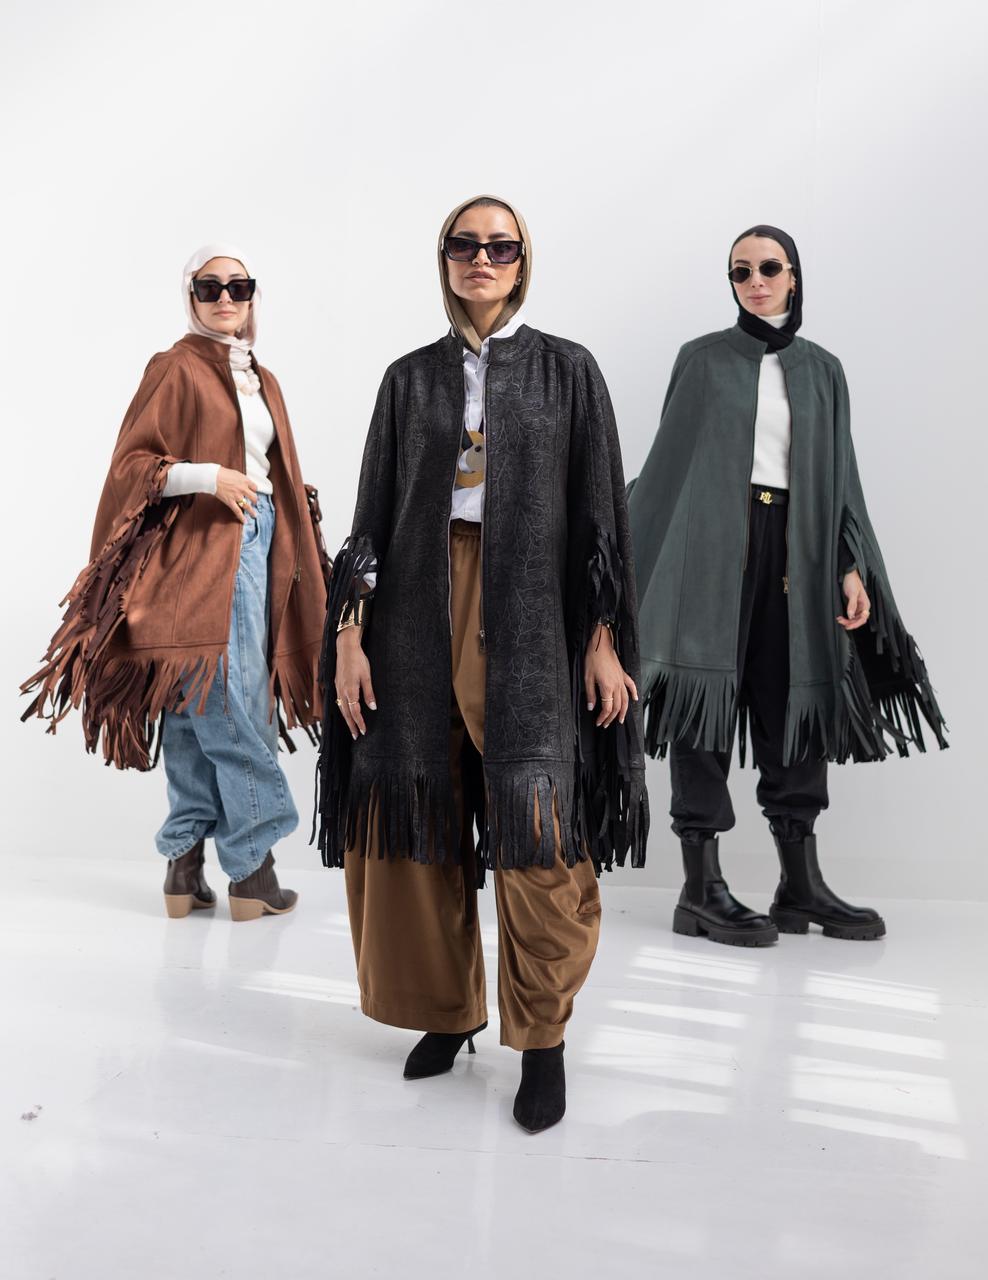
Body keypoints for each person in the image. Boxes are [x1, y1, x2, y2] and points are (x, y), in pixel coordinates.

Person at [317, 195, 648, 1133]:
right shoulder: (408, 380)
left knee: (538, 826)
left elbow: (599, 519)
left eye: (500, 246)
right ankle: (447, 1011)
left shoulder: (566, 370)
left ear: (522, 261)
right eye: (465, 245)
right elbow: (371, 517)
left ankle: (541, 1040)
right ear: (445, 259)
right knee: (417, 810)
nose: (482, 258)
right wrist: (349, 635)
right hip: (413, 613)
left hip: (533, 610)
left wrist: (601, 640)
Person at [628, 224, 946, 946]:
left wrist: (847, 562)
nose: (756, 282)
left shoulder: (822, 370)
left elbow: (839, 477)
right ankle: (700, 888)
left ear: (794, 276)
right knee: (703, 700)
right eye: (740, 272)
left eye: (769, 268)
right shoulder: (703, 360)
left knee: (793, 696)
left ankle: (799, 885)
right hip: (712, 546)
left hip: (795, 547)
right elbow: (672, 462)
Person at [23, 243, 330, 920]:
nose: (224, 298)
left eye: (238, 286)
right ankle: (252, 865)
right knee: (232, 699)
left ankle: (183, 863)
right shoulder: (176, 365)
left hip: (254, 539)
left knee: (193, 704)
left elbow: (268, 465)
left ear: (253, 297)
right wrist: (208, 477)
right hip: (204, 547)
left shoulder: (261, 377)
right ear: (189, 295)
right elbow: (131, 464)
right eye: (208, 286)